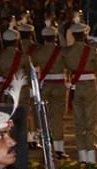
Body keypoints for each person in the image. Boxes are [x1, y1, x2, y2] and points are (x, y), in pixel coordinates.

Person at [63, 19, 97, 163]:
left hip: (75, 86)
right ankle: (91, 157)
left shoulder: (66, 52)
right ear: (84, 35)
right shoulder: (91, 51)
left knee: (78, 121)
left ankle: (82, 156)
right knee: (90, 121)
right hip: (89, 85)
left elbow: (66, 68)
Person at [31, 20, 67, 159]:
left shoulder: (37, 52)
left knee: (44, 116)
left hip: (45, 85)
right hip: (59, 85)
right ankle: (59, 148)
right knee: (57, 116)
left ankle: (46, 144)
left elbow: (33, 69)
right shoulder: (61, 51)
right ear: (55, 37)